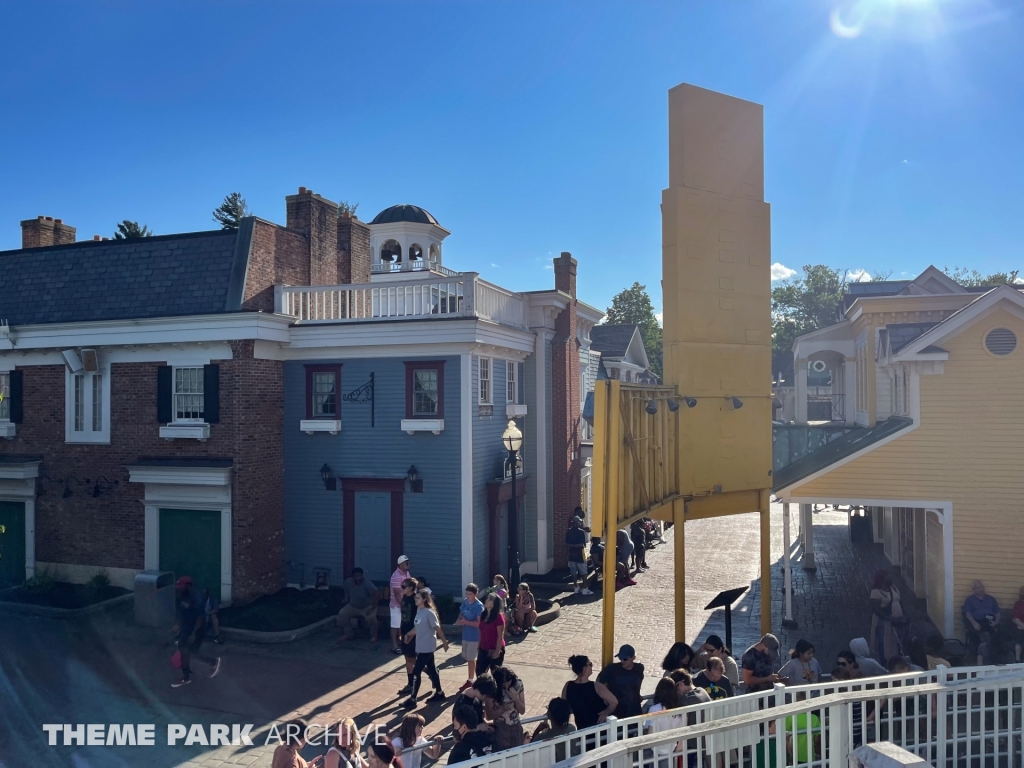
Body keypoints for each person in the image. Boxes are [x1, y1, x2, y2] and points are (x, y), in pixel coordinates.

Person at [401, 589, 449, 709]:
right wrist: (408, 634)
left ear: (424, 599)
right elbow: (417, 628)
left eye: (417, 598)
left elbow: (437, 629)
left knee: (416, 672)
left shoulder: (429, 613)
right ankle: (439, 693)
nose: (415, 599)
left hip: (427, 647)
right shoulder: (419, 610)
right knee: (432, 668)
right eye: (415, 598)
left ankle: (413, 699)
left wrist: (444, 642)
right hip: (420, 645)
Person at [171, 576, 221, 687]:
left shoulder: (196, 597)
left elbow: (200, 617)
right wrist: (178, 625)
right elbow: (182, 612)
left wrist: (193, 634)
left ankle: (186, 677)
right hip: (187, 627)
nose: (179, 588)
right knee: (191, 652)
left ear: (188, 585)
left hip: (196, 628)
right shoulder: (183, 595)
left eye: (181, 586)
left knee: (184, 649)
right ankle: (212, 662)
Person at [561, 655, 618, 729]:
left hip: (581, 728)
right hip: (600, 728)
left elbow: (564, 706)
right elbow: (614, 702)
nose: (592, 667)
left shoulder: (568, 686)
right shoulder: (596, 686)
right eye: (590, 664)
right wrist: (606, 712)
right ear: (584, 668)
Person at [597, 644, 645, 718]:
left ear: (633, 658)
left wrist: (636, 694)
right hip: (617, 711)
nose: (622, 661)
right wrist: (606, 696)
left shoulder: (639, 668)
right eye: (620, 658)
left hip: (634, 710)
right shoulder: (612, 669)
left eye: (625, 659)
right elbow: (599, 682)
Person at [963, 580, 1001, 664]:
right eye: (978, 587)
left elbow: (998, 612)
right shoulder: (970, 600)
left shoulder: (991, 599)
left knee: (997, 635)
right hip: (977, 621)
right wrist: (974, 623)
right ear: (974, 590)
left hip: (990, 621)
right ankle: (978, 657)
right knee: (974, 634)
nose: (980, 589)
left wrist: (996, 622)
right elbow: (968, 614)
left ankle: (994, 658)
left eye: (981, 587)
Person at [488, 666, 526, 750]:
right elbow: (488, 716)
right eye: (503, 683)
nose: (506, 684)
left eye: (508, 681)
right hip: (501, 728)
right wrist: (501, 709)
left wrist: (516, 698)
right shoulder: (493, 690)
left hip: (516, 726)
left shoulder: (518, 686)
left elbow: (522, 710)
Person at [337, 567, 380, 644]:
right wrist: (345, 599)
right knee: (342, 613)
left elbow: (376, 594)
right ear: (352, 576)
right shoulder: (348, 582)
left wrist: (373, 607)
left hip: (367, 606)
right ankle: (348, 633)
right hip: (353, 605)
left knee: (371, 617)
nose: (357, 578)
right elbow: (346, 592)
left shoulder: (367, 583)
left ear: (362, 575)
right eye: (355, 576)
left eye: (359, 576)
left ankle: (374, 635)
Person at [869, 570, 903, 664]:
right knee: (884, 643)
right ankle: (884, 663)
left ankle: (895, 662)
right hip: (883, 623)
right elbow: (876, 609)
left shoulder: (893, 588)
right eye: (888, 576)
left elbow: (900, 601)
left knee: (895, 642)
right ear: (882, 578)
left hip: (897, 622)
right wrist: (889, 619)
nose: (890, 578)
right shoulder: (876, 592)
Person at [456, 583, 485, 692]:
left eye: (470, 594)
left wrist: (465, 622)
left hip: (474, 636)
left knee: (471, 659)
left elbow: (479, 624)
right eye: (467, 593)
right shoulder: (465, 602)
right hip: (465, 634)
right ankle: (474, 677)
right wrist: (459, 620)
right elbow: (461, 612)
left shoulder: (478, 606)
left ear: (475, 594)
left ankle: (471, 680)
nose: (468, 596)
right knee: (467, 657)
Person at [644, 677, 681, 762]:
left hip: (655, 751)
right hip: (672, 750)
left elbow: (650, 734)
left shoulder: (654, 709)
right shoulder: (680, 711)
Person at [397, 579, 419, 696]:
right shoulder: (405, 598)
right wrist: (401, 632)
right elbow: (403, 616)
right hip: (404, 631)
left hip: (412, 633)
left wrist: (411, 634)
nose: (402, 588)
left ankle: (412, 684)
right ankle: (411, 682)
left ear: (411, 587)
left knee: (411, 659)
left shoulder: (415, 599)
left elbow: (418, 620)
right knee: (408, 659)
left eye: (404, 586)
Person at [477, 593, 507, 677]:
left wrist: (497, 652)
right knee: (480, 672)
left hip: (495, 649)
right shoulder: (483, 615)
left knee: (496, 674)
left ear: (495, 604)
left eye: (490, 600)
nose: (487, 601)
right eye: (487, 599)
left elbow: (500, 636)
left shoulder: (498, 617)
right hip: (483, 648)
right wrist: (479, 644)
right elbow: (480, 631)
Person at [390, 555, 413, 654]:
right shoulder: (396, 576)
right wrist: (402, 606)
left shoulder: (407, 573)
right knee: (395, 625)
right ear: (400, 564)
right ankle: (394, 645)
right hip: (396, 605)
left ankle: (402, 642)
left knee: (403, 624)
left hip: (406, 602)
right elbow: (397, 594)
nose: (407, 564)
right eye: (405, 562)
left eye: (408, 562)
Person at [566, 517, 593, 595]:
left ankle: (576, 587)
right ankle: (585, 589)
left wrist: (570, 549)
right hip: (580, 555)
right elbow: (582, 544)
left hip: (571, 555)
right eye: (580, 522)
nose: (581, 524)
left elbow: (567, 544)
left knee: (573, 572)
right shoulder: (581, 532)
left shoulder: (569, 531)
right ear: (577, 523)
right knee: (584, 572)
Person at [1013, 586, 1024, 663]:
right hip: (1020, 626)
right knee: (1019, 636)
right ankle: (1018, 660)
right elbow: (1015, 618)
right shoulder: (1018, 604)